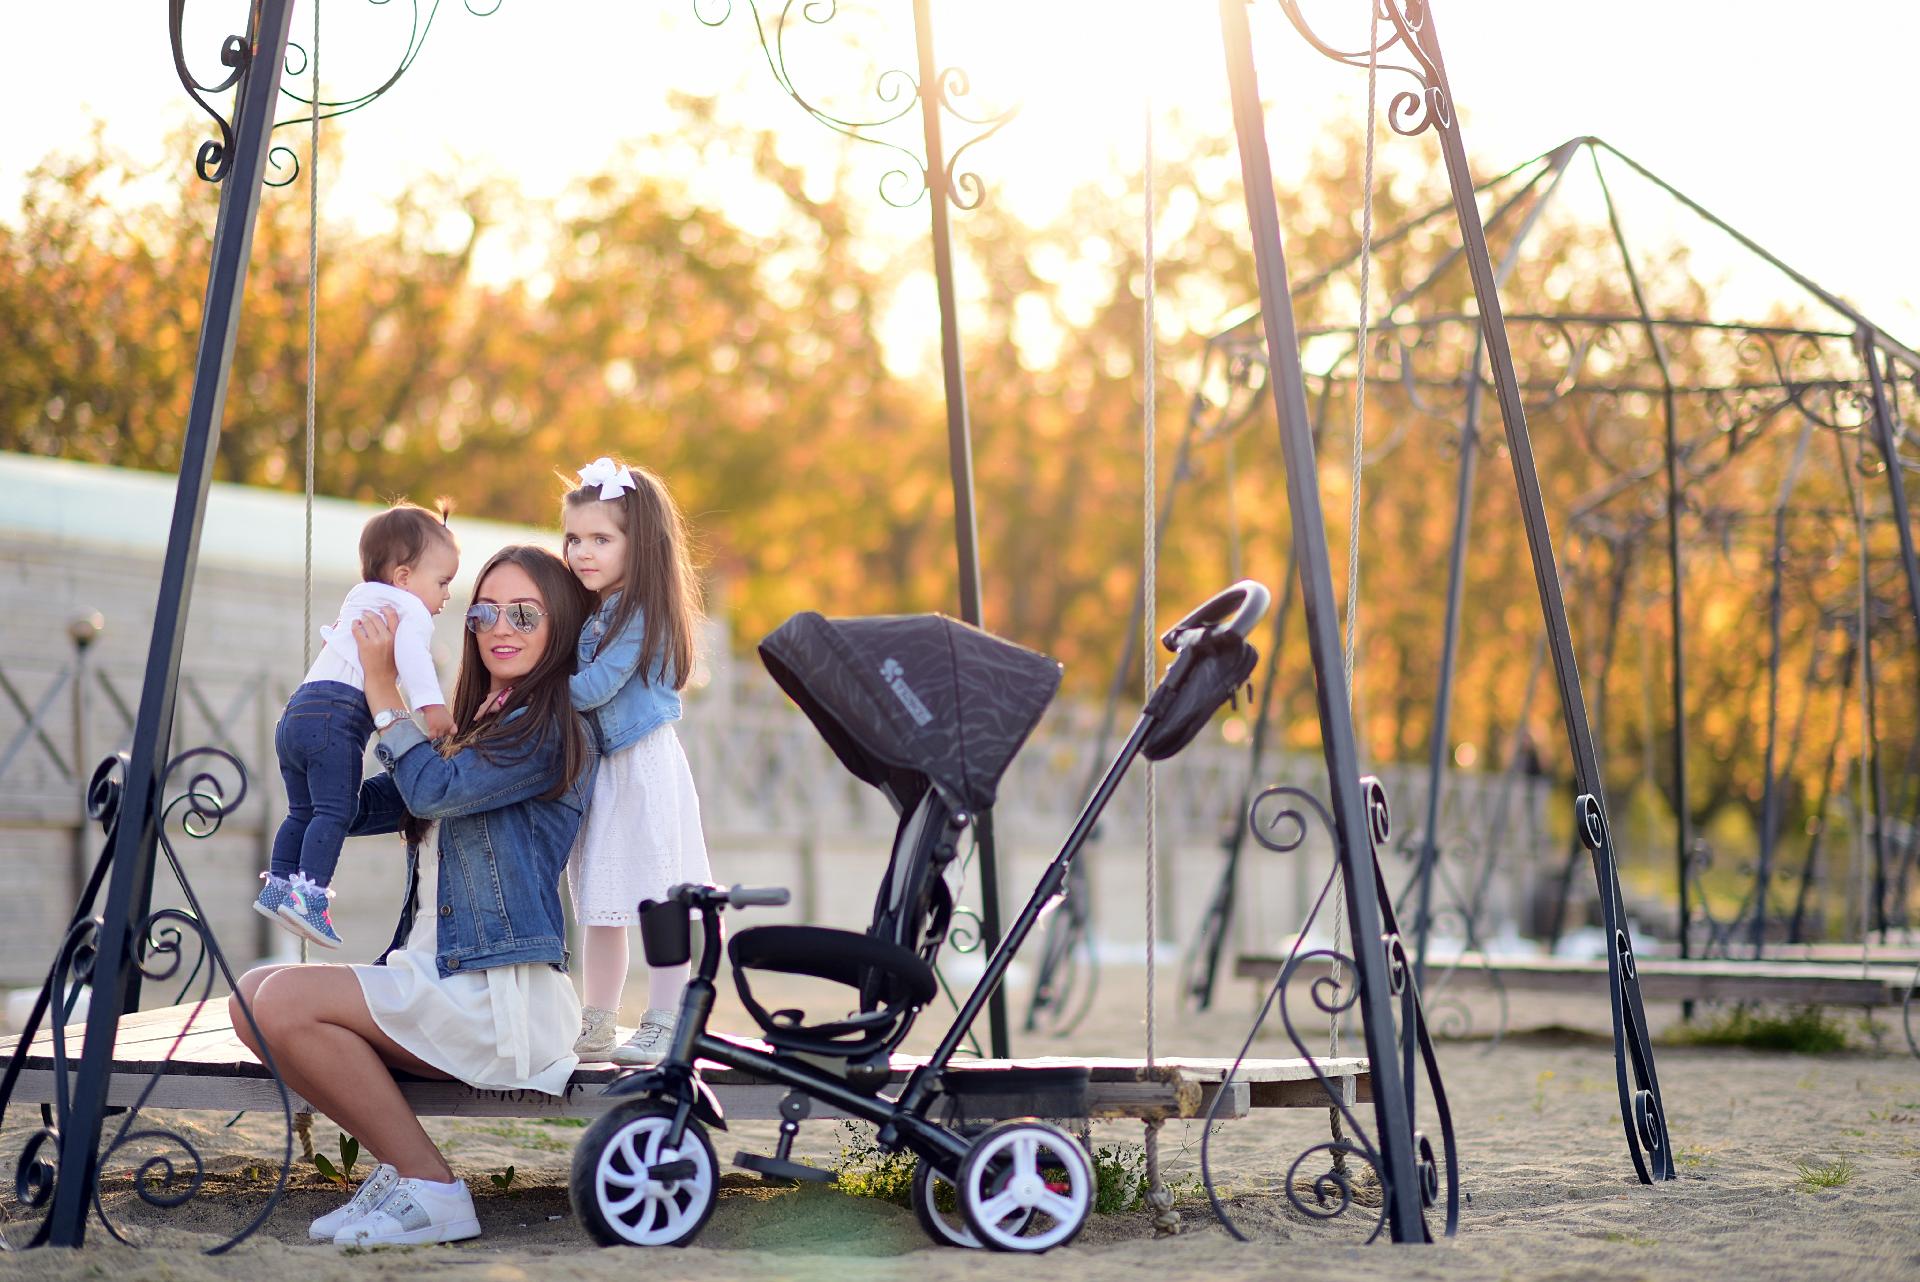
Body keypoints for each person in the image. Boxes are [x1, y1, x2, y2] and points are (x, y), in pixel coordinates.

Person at [229, 544, 596, 1247]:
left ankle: (433, 1187)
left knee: (277, 1000)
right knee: (254, 994)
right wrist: (316, 749)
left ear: (560, 628)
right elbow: (383, 801)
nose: (499, 627)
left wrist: (380, 686)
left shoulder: (547, 730)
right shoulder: (480, 724)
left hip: (498, 996)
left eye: (524, 613)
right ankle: (407, 1170)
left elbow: (430, 790)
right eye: (484, 612)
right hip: (434, 979)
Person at [561, 456, 712, 1066]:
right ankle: (597, 1019)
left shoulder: (638, 612)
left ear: (639, 543)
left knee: (655, 897)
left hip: (642, 770)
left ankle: (665, 1018)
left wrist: (534, 688)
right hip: (605, 773)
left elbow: (596, 687)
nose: (582, 552)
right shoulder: (596, 609)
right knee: (604, 900)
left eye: (601, 538)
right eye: (574, 538)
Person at [259, 500, 459, 949]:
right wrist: (432, 707)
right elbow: (412, 657)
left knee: (301, 811)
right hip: (337, 719)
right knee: (336, 810)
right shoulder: (409, 609)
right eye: (443, 582)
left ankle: (278, 888)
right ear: (405, 577)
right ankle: (308, 901)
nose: (447, 595)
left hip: (297, 713)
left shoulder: (360, 596)